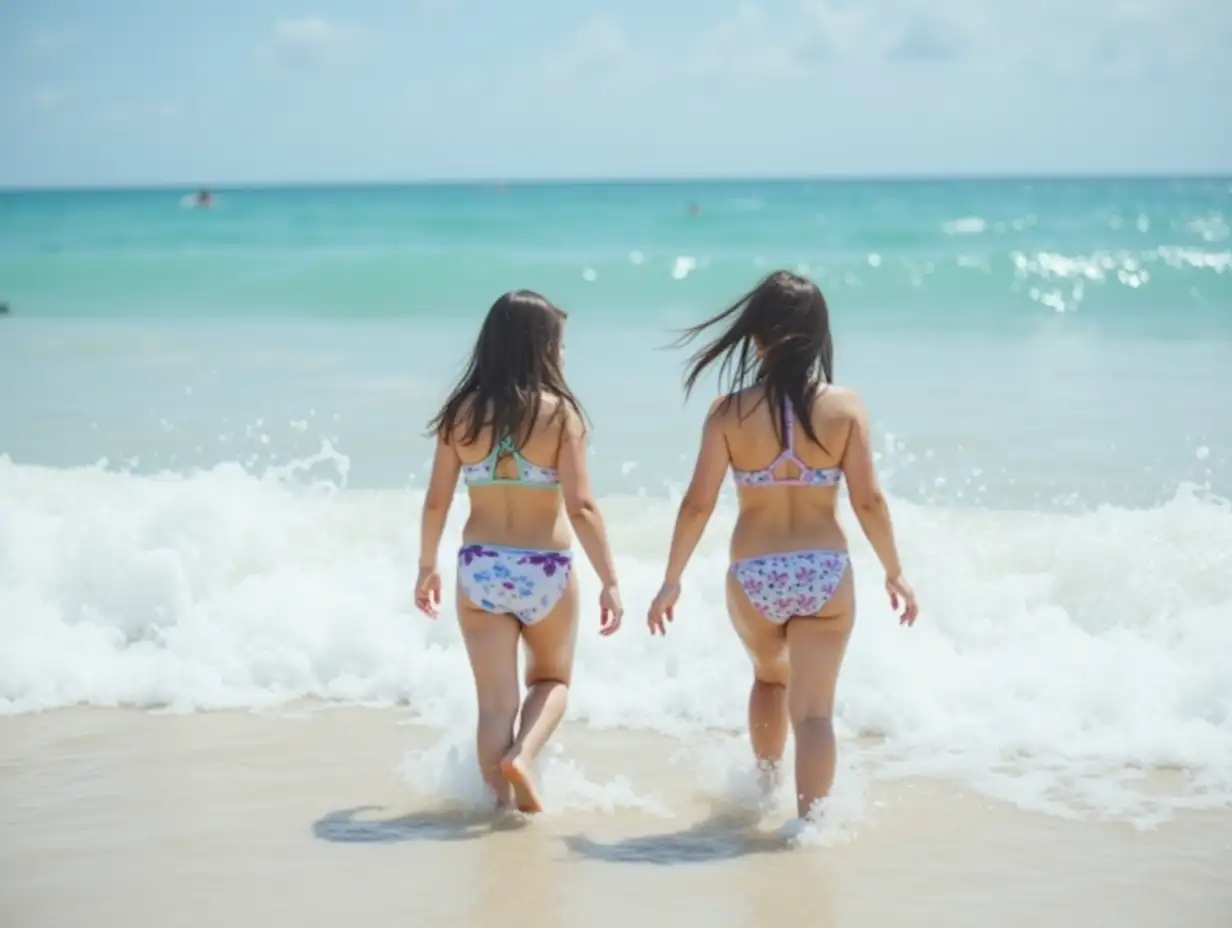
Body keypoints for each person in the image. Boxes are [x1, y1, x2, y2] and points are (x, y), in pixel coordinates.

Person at [646, 269, 918, 821]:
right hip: (823, 572)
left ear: (756, 335)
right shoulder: (845, 408)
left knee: (770, 680)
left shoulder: (728, 412)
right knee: (814, 716)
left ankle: (763, 791)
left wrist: (671, 578)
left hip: (754, 575)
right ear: (820, 334)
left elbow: (697, 503)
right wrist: (894, 571)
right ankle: (811, 828)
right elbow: (870, 502)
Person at [415, 290, 623, 814]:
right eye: (560, 344)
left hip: (480, 568)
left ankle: (498, 810)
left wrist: (426, 567)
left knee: (494, 706)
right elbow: (581, 507)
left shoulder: (459, 415)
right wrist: (610, 579)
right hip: (545, 570)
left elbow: (437, 501)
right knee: (551, 679)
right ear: (542, 349)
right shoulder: (561, 415)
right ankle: (524, 756)